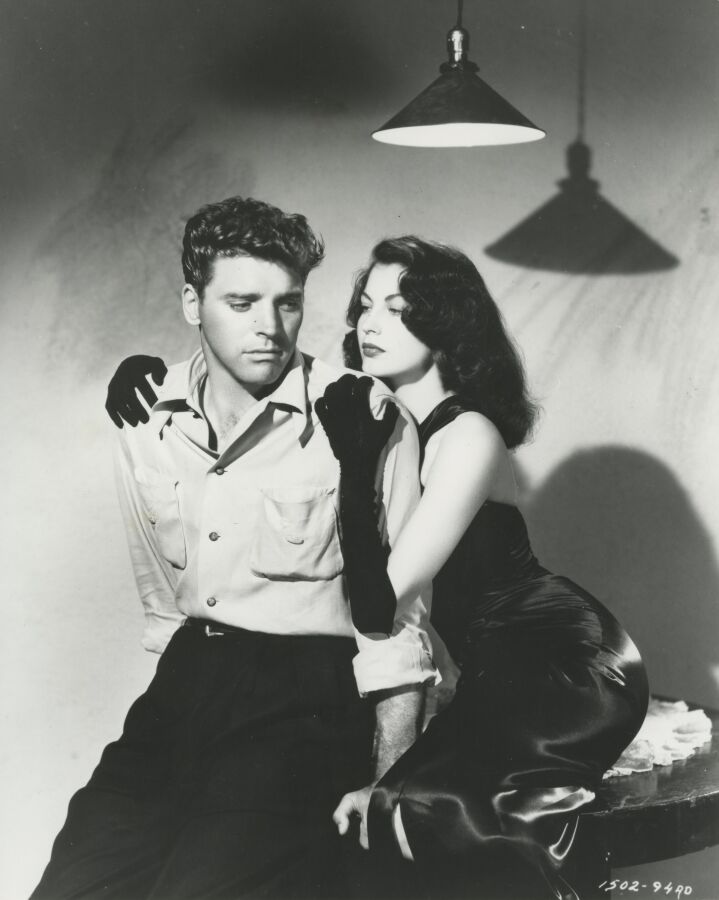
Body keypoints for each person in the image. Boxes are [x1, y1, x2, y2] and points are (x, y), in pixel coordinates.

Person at [106, 236, 649, 899]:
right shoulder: (368, 415)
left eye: (397, 309)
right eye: (364, 305)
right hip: (485, 672)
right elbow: (248, 401)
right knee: (345, 822)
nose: (369, 324)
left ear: (446, 324)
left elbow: (377, 603)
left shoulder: (468, 433)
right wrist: (148, 375)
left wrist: (359, 463)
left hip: (563, 667)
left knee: (420, 816)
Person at [32, 200, 438, 900]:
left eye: (288, 303)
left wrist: (389, 782)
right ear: (193, 303)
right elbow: (162, 599)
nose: (269, 327)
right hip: (184, 688)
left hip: (305, 704)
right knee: (75, 882)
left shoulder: (364, 414)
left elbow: (397, 628)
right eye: (242, 303)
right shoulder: (144, 416)